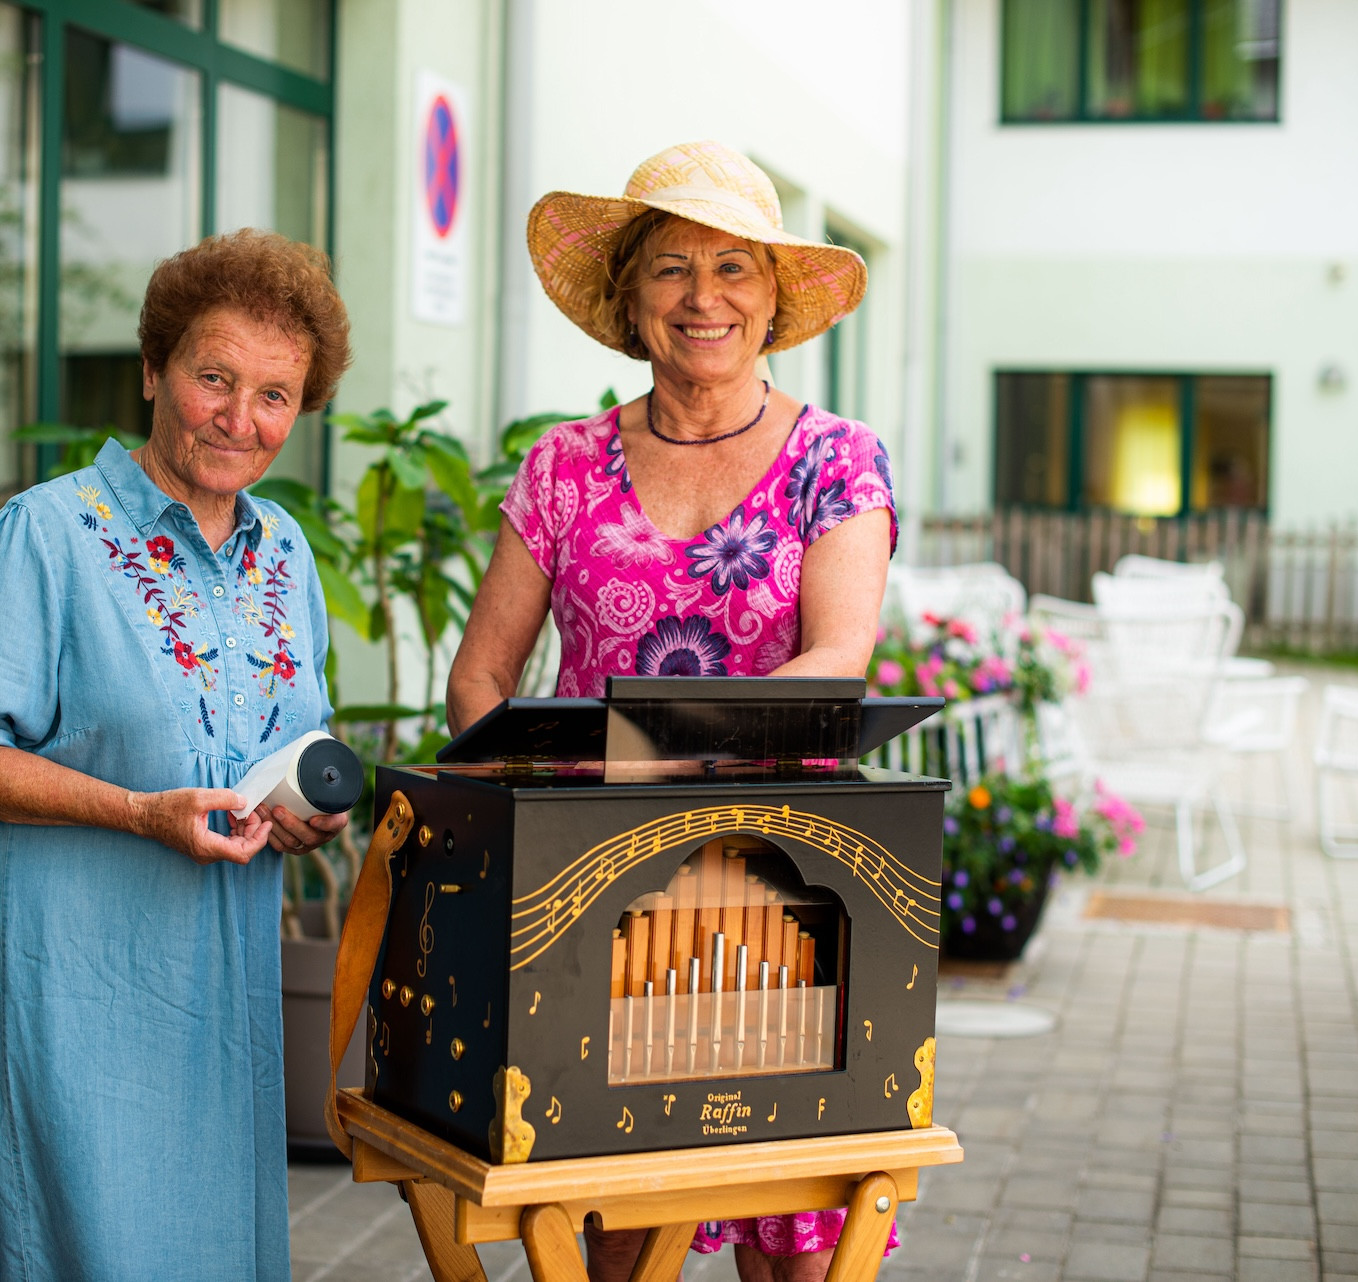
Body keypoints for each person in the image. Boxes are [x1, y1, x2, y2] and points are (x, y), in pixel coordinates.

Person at [446, 141, 897, 1282]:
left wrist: (669, 744)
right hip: (597, 889)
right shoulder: (562, 466)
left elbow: (840, 659)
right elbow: (479, 678)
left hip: (783, 893)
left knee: (793, 1234)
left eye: (735, 266)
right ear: (630, 298)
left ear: (774, 297)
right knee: (618, 1241)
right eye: (672, 268)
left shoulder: (835, 462)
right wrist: (512, 821)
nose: (705, 298)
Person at [0, 229, 353, 1281]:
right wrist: (139, 812)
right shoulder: (45, 534)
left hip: (220, 1004)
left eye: (276, 395)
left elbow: (302, 740)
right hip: (71, 998)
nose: (242, 420)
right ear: (154, 369)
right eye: (214, 378)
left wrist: (309, 808)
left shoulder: (285, 550)